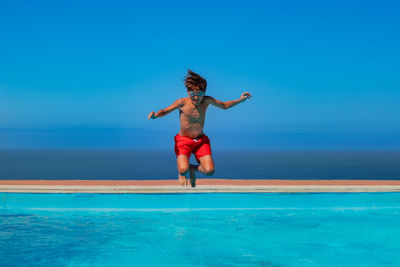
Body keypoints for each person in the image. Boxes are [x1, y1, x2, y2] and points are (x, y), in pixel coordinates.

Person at [148, 69, 252, 187]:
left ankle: (192, 169)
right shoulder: (181, 102)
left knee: (209, 171)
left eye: (200, 94)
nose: (196, 98)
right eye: (193, 94)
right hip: (184, 141)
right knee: (182, 170)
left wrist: (240, 100)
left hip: (200, 141)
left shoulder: (206, 100)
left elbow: (224, 105)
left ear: (204, 92)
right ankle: (184, 171)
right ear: (188, 92)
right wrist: (155, 115)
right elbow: (165, 111)